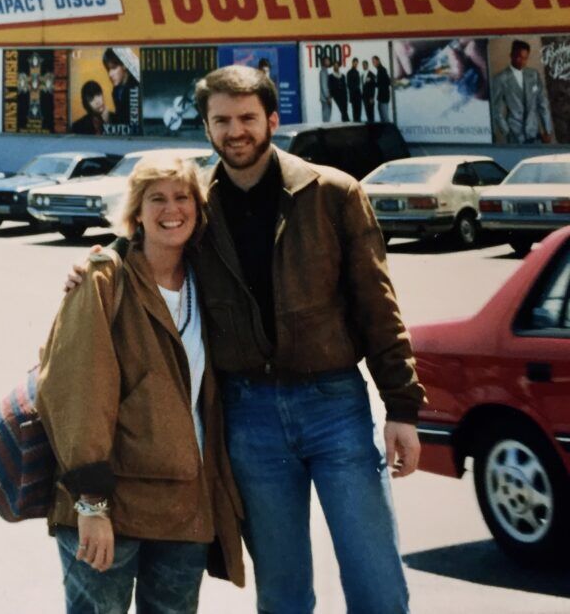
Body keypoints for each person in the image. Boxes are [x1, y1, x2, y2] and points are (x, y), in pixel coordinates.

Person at [67, 66, 424, 614]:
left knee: (374, 575)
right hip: (249, 415)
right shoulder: (198, 203)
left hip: (334, 405)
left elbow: (379, 307)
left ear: (273, 121)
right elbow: (150, 229)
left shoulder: (332, 193)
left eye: (247, 118)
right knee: (281, 588)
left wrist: (401, 407)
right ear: (207, 129)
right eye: (222, 120)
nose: (236, 131)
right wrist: (99, 262)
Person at [37, 154, 245, 614]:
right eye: (157, 199)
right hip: (110, 503)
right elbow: (76, 392)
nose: (172, 210)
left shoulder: (208, 283)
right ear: (136, 210)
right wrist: (91, 506)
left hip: (184, 507)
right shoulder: (104, 278)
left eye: (182, 197)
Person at [490, 39, 554, 144]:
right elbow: (495, 109)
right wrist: (506, 131)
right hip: (514, 134)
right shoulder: (500, 78)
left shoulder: (533, 75)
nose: (522, 61)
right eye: (518, 57)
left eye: (525, 58)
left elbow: (542, 103)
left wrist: (547, 130)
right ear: (511, 55)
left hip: (534, 133)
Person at [102, 48, 139, 131]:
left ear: (124, 65)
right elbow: (122, 120)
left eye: (114, 68)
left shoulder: (135, 87)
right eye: (108, 70)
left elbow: (131, 124)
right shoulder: (116, 90)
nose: (110, 74)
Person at [373, 55, 392, 122]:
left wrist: (373, 82)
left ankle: (388, 132)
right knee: (384, 118)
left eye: (374, 62)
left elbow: (383, 83)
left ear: (378, 61)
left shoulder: (382, 70)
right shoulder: (381, 70)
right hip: (383, 97)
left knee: (385, 118)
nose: (373, 64)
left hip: (383, 97)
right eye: (373, 62)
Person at [346, 57, 363, 122]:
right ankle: (356, 123)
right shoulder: (349, 73)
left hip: (357, 95)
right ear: (352, 63)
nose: (356, 64)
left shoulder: (357, 72)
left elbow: (358, 84)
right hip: (354, 95)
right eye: (355, 63)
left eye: (357, 63)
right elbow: (349, 85)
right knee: (355, 112)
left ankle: (357, 123)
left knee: (358, 112)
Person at [318, 56, 332, 123]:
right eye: (327, 61)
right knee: (326, 118)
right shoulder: (323, 72)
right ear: (324, 62)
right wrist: (328, 97)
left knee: (327, 117)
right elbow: (324, 86)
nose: (329, 62)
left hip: (325, 98)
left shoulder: (325, 71)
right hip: (325, 99)